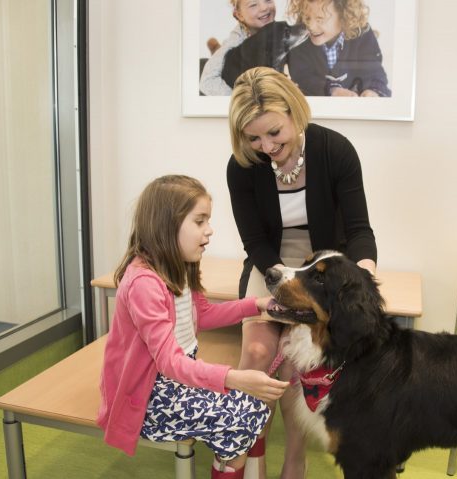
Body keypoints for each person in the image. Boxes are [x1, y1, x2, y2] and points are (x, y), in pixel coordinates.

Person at [226, 67, 377, 479]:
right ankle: (250, 457)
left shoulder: (335, 151)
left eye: (274, 133)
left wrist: (363, 276)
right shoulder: (241, 166)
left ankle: (294, 459)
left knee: (296, 368)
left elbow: (360, 230)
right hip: (270, 262)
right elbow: (254, 242)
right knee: (256, 355)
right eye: (253, 138)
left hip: (319, 265)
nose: (266, 146)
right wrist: (282, 283)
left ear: (295, 112)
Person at [97, 175, 289, 479]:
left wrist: (257, 305)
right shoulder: (144, 284)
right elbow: (169, 363)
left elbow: (205, 315)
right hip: (149, 397)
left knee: (254, 406)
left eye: (207, 221)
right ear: (167, 225)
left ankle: (234, 467)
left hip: (176, 380)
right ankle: (232, 466)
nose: (209, 230)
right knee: (239, 416)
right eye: (200, 221)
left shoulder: (181, 266)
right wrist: (232, 378)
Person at [286, 0, 391, 97]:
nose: (311, 26)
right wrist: (333, 90)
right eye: (307, 18)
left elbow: (374, 71)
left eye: (320, 19)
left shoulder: (362, 35)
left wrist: (373, 91)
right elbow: (303, 77)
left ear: (344, 16)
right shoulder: (299, 41)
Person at [200, 0, 277, 96]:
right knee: (206, 64)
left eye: (268, 0)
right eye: (253, 5)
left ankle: (216, 48)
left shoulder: (279, 30)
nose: (264, 7)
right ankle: (216, 50)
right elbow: (207, 81)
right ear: (239, 15)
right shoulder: (236, 42)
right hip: (230, 69)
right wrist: (238, 99)